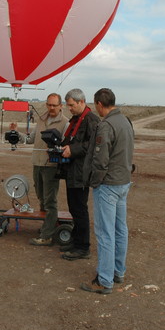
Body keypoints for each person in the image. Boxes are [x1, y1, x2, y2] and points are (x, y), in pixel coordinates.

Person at [80, 88, 134, 294]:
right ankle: (118, 272)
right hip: (123, 183)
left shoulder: (106, 125)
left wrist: (95, 182)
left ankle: (104, 280)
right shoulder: (125, 122)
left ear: (100, 105)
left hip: (108, 186)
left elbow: (100, 160)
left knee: (105, 233)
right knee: (120, 230)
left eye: (95, 106)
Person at [10, 93, 68, 246]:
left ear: (61, 106)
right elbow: (30, 139)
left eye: (55, 105)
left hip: (51, 167)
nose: (51, 107)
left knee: (50, 200)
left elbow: (66, 146)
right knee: (41, 197)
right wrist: (17, 132)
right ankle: (47, 226)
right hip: (37, 163)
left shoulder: (65, 123)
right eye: (49, 104)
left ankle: (47, 235)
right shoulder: (41, 120)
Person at [59, 89, 100, 261]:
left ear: (81, 101)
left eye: (71, 105)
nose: (69, 108)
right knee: (74, 208)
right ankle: (76, 241)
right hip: (72, 171)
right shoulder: (76, 119)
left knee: (79, 210)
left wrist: (72, 150)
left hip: (81, 172)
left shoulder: (91, 120)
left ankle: (83, 247)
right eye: (68, 105)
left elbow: (91, 146)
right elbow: (73, 139)